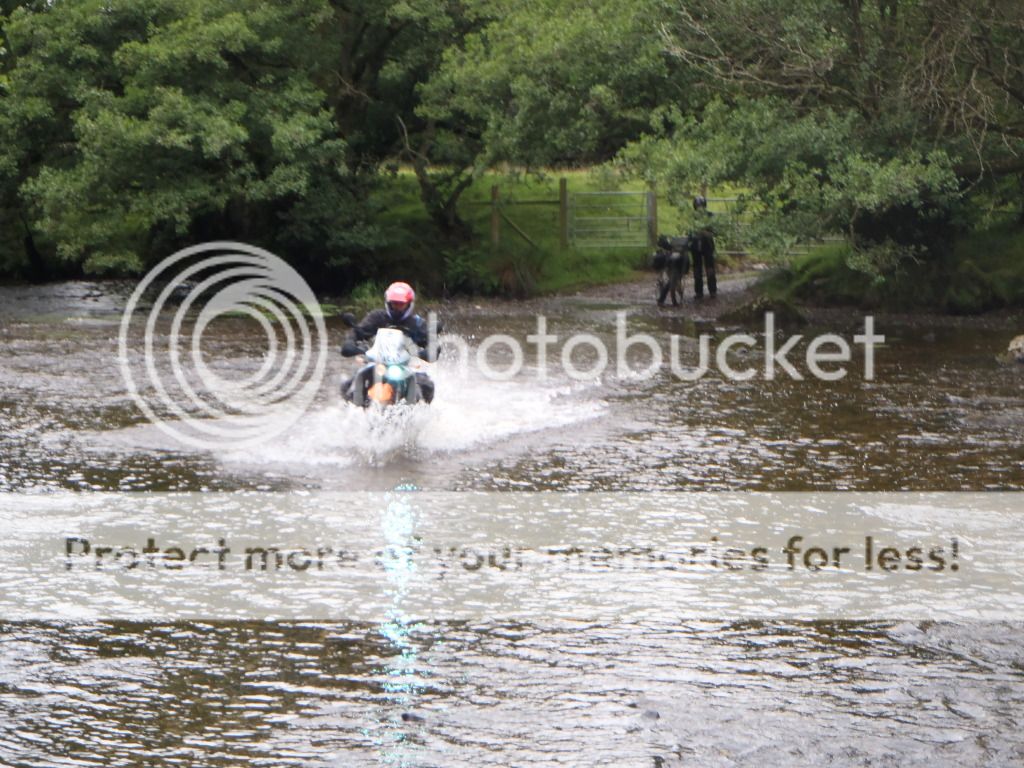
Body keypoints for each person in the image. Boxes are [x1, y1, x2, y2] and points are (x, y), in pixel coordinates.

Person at [340, 281, 436, 403]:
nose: (397, 307)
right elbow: (359, 331)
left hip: (405, 365)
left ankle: (422, 415)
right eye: (395, 304)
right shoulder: (377, 317)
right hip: (378, 362)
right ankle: (352, 413)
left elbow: (430, 341)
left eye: (401, 304)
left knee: (427, 386)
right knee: (350, 385)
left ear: (408, 305)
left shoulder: (416, 323)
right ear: (389, 303)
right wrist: (350, 342)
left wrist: (429, 350)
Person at [690, 195, 717, 299]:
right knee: (697, 269)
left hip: (707, 245)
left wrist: (705, 233)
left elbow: (713, 231)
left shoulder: (710, 216)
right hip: (695, 246)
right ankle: (698, 292)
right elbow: (689, 231)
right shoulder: (692, 217)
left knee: (710, 268)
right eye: (697, 206)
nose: (699, 208)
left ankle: (712, 290)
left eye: (701, 206)